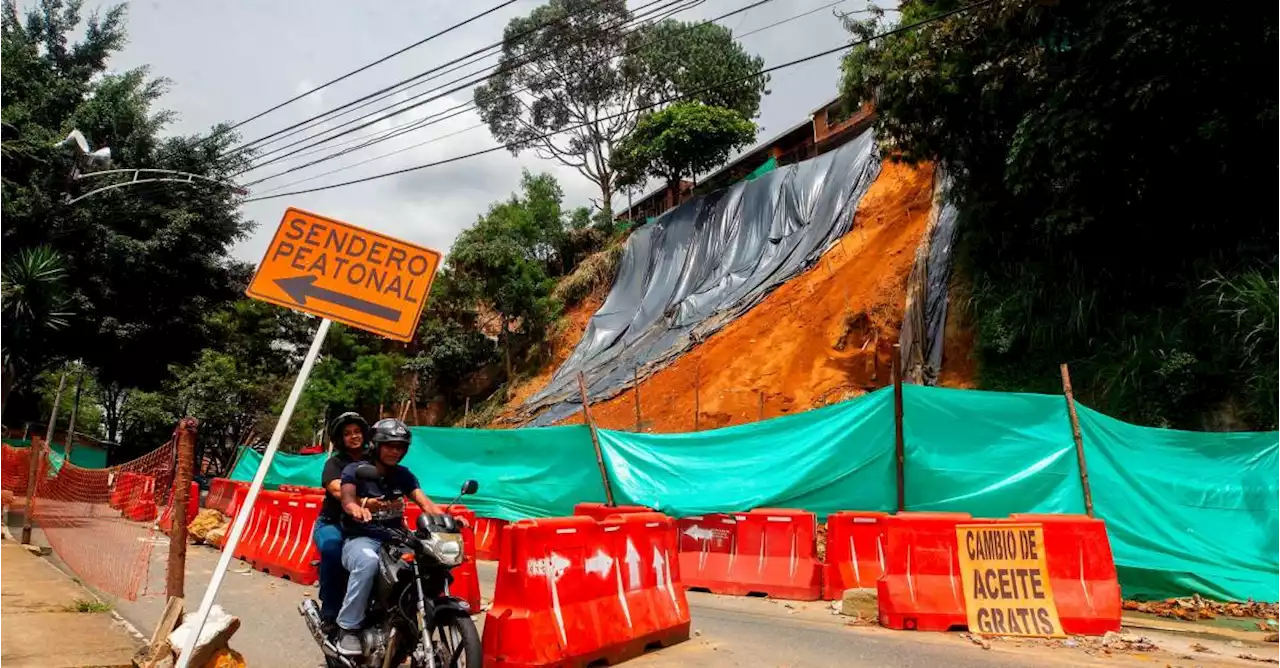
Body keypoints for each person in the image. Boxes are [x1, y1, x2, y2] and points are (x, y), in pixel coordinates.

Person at [335, 418, 443, 656]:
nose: (395, 451)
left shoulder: (403, 475)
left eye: (400, 447)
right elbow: (347, 499)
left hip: (396, 539)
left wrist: (449, 519)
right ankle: (348, 628)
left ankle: (408, 619)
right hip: (362, 539)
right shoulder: (355, 470)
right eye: (389, 445)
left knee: (429, 562)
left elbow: (424, 502)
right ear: (375, 445)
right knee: (368, 563)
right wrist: (357, 509)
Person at [313, 412, 370, 631]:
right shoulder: (334, 463)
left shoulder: (375, 461)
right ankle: (329, 611)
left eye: (357, 431)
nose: (354, 436)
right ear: (340, 439)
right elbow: (338, 490)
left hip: (365, 525)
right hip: (332, 524)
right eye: (348, 433)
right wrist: (368, 503)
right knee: (332, 549)